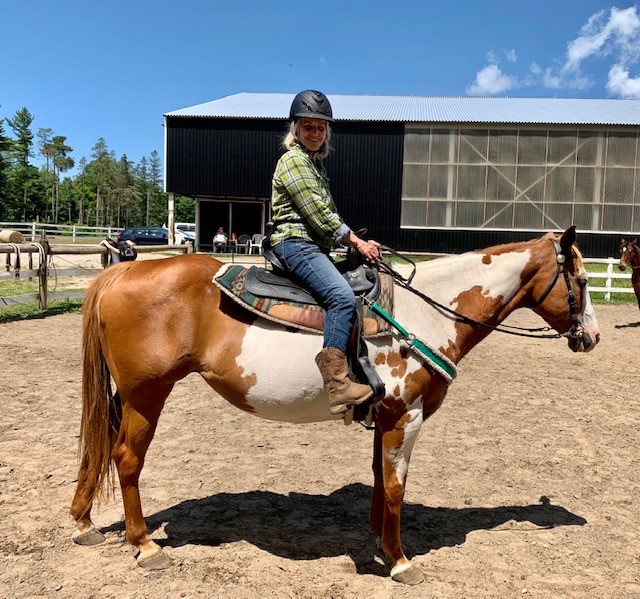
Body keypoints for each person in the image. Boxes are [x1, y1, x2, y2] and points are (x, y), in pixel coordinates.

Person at [270, 90, 382, 414]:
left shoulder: (315, 165)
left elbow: (326, 218)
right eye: (308, 127)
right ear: (296, 130)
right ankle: (337, 386)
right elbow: (320, 215)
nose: (315, 133)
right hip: (295, 242)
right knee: (341, 297)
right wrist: (357, 242)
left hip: (314, 244)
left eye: (321, 128)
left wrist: (350, 246)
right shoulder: (293, 161)